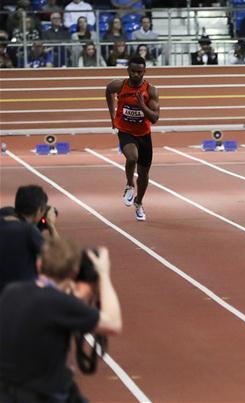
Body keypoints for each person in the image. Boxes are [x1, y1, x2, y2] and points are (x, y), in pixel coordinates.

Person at [0, 238, 122, 402]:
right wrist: (104, 274)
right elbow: (113, 324)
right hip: (40, 394)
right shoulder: (59, 303)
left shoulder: (11, 291)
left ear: (39, 264)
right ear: (73, 272)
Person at [105, 56, 160, 221]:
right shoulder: (119, 85)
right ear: (128, 70)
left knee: (144, 175)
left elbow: (155, 118)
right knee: (132, 157)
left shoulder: (151, 91)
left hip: (144, 135)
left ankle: (139, 202)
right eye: (133, 71)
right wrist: (112, 117)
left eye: (140, 72)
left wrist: (142, 105)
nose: (136, 75)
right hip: (125, 131)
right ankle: (129, 184)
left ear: (144, 72)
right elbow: (108, 91)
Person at [0, 186, 57, 294]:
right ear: (40, 211)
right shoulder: (29, 232)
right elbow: (60, 259)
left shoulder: (3, 214)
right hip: (17, 297)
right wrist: (51, 226)